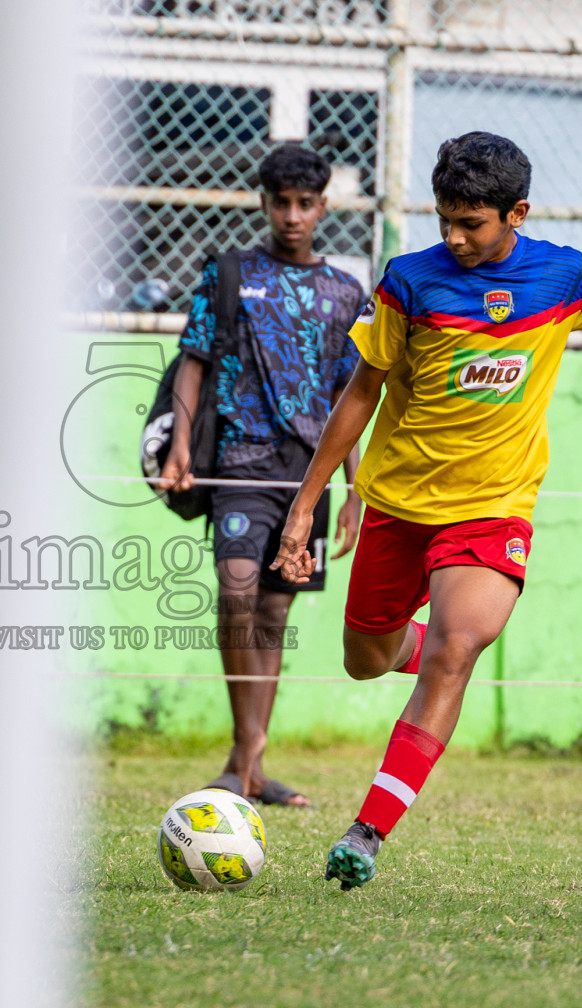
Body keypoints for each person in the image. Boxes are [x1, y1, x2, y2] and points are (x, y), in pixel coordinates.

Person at [270, 131, 582, 886]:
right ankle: (415, 643)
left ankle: (368, 831)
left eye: (472, 223)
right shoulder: (409, 282)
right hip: (399, 503)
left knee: (456, 650)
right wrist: (308, 505)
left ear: (516, 212)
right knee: (364, 660)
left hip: (494, 507)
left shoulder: (565, 277)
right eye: (445, 221)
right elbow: (361, 393)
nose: (455, 238)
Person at [155, 143, 367, 807]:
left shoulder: (345, 292)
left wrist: (358, 487)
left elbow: (351, 393)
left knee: (274, 611)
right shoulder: (230, 274)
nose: (293, 216)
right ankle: (247, 758)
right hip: (240, 462)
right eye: (281, 203)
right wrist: (179, 446)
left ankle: (248, 764)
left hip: (309, 474)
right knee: (237, 588)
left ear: (324, 206)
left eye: (306, 203)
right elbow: (193, 359)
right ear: (264, 203)